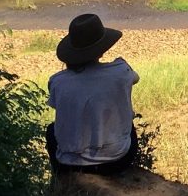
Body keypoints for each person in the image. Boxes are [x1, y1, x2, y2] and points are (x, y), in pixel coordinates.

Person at [46, 13, 140, 175]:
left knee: (51, 130)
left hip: (70, 164)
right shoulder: (121, 71)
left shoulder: (57, 81)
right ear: (102, 50)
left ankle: (60, 177)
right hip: (119, 160)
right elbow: (135, 78)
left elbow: (61, 108)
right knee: (128, 123)